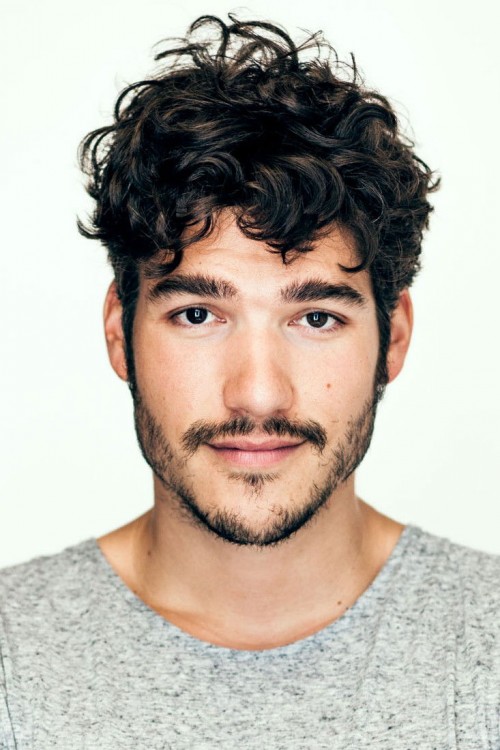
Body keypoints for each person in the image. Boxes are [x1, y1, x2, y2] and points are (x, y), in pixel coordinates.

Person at [0, 14, 498, 749]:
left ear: (392, 338)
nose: (259, 394)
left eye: (317, 318)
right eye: (198, 315)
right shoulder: (13, 666)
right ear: (119, 333)